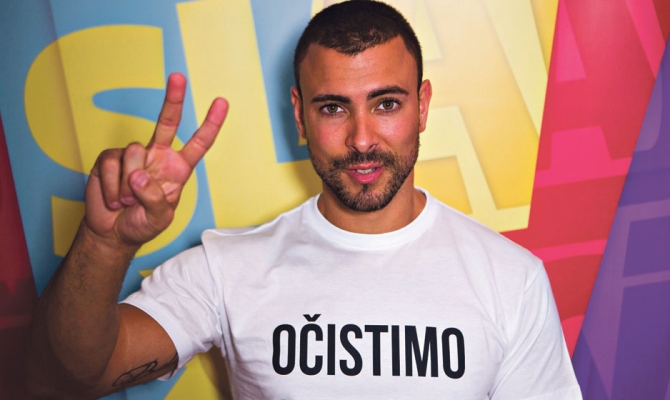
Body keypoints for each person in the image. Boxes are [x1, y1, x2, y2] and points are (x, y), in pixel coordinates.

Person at [26, 1, 582, 398]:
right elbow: (72, 375)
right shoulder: (228, 268)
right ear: (299, 115)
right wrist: (103, 244)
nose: (361, 139)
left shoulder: (510, 278)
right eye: (333, 108)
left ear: (423, 105)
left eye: (386, 104)